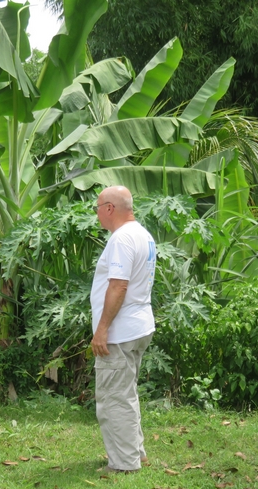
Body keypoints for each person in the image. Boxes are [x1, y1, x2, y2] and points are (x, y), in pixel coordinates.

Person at [90, 186, 157, 473]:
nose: (96, 214)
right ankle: (135, 452)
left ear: (109, 208)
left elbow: (118, 285)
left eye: (97, 208)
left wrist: (102, 329)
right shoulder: (142, 234)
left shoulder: (121, 239)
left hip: (120, 331)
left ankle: (123, 464)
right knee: (126, 392)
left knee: (113, 397)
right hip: (139, 324)